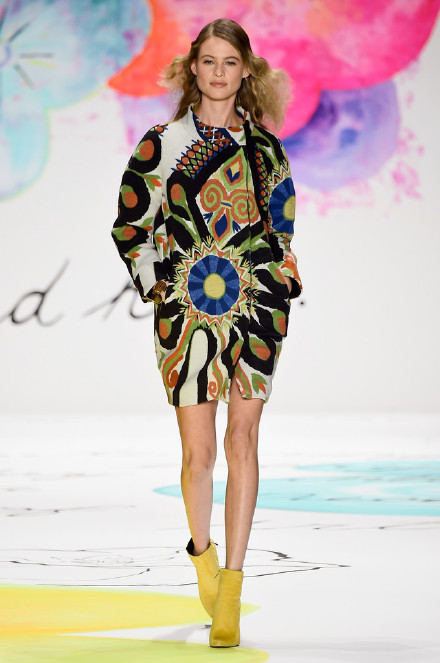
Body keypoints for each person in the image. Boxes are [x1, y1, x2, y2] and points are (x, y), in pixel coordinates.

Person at [112, 17, 302, 648]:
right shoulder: (162, 145)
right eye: (209, 61)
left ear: (246, 71)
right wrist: (160, 286)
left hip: (254, 308)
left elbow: (281, 230)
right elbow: (130, 226)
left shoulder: (266, 150)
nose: (219, 73)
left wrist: (276, 281)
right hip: (187, 311)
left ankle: (232, 590)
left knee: (243, 439)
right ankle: (203, 559)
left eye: (230, 62)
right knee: (198, 455)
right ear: (193, 68)